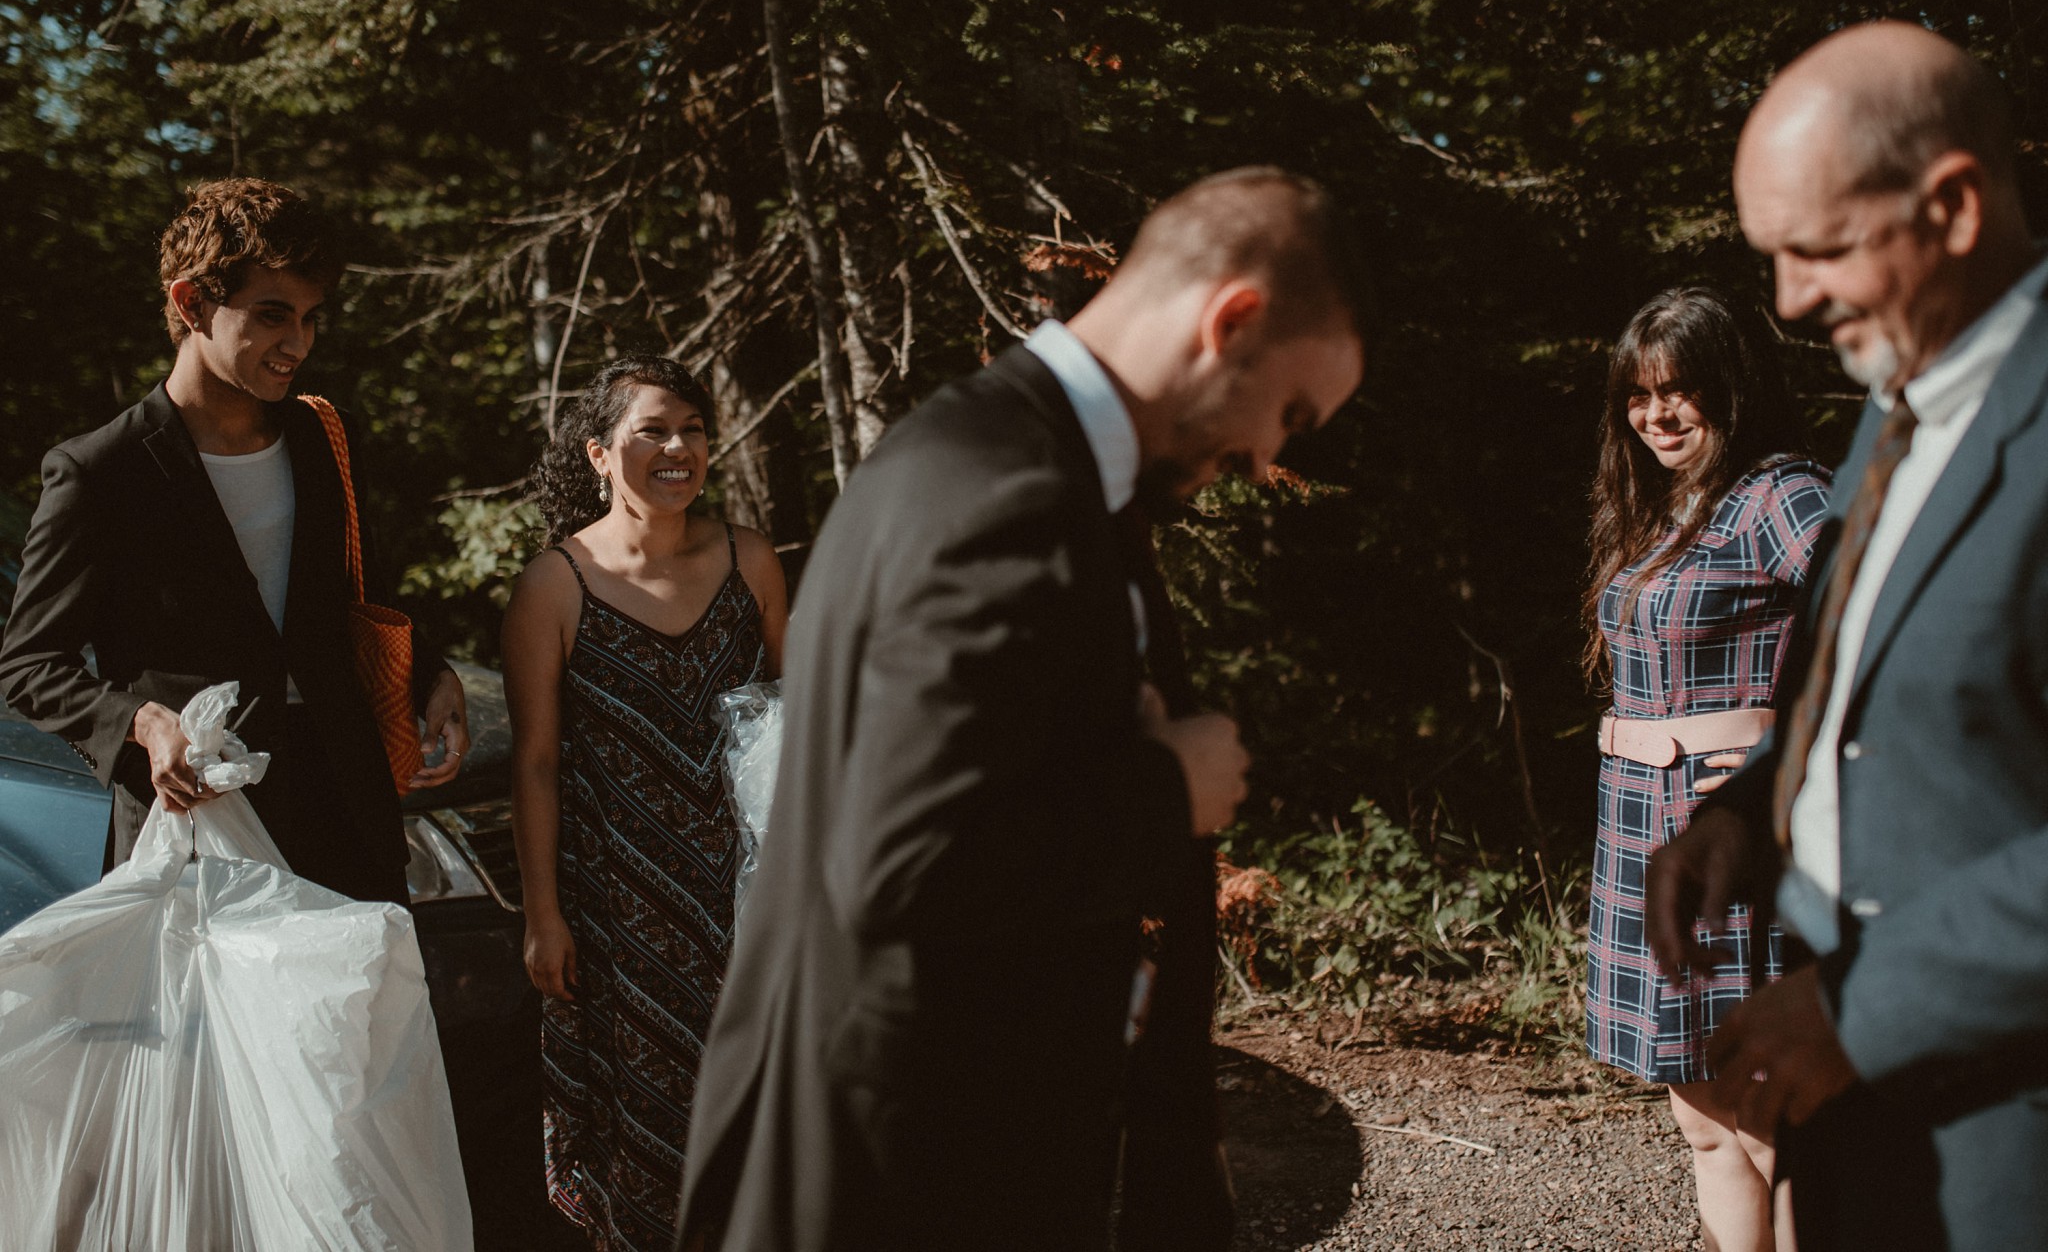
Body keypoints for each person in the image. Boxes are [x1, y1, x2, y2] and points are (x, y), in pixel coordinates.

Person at [672, 167, 1366, 1252]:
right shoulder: (1004, 490)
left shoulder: (1010, 459)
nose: (1270, 455)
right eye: (1289, 411)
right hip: (903, 1181)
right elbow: (901, 862)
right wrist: (1164, 787)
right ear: (1230, 321)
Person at [1645, 21, 2048, 1249]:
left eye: (1817, 250)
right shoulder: (1893, 403)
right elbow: (1876, 700)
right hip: (1849, 1108)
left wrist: (1860, 1008)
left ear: (1954, 207)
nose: (1786, 299)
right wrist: (1744, 817)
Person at [0, 177, 467, 904]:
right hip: (197, 822)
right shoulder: (101, 470)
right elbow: (28, 666)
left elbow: (353, 596)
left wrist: (431, 676)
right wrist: (141, 723)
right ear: (191, 304)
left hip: (344, 813)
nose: (298, 343)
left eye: (311, 319)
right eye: (273, 315)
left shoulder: (322, 438)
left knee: (357, 1019)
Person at [503, 355, 790, 1252]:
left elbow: (806, 713)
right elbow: (538, 765)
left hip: (758, 896)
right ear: (598, 454)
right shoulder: (555, 585)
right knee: (650, 1138)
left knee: (775, 1117)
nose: (678, 448)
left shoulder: (750, 559)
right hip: (622, 913)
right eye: (652, 432)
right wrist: (543, 916)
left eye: (693, 430)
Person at [1582, 286, 1830, 1252]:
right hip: (1641, 826)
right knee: (1700, 1120)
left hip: (1730, 829)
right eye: (1640, 396)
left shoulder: (1782, 493)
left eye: (1682, 390)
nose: (1659, 415)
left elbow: (1874, 630)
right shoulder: (1657, 506)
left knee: (1767, 1117)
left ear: (1733, 385)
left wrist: (1779, 753)